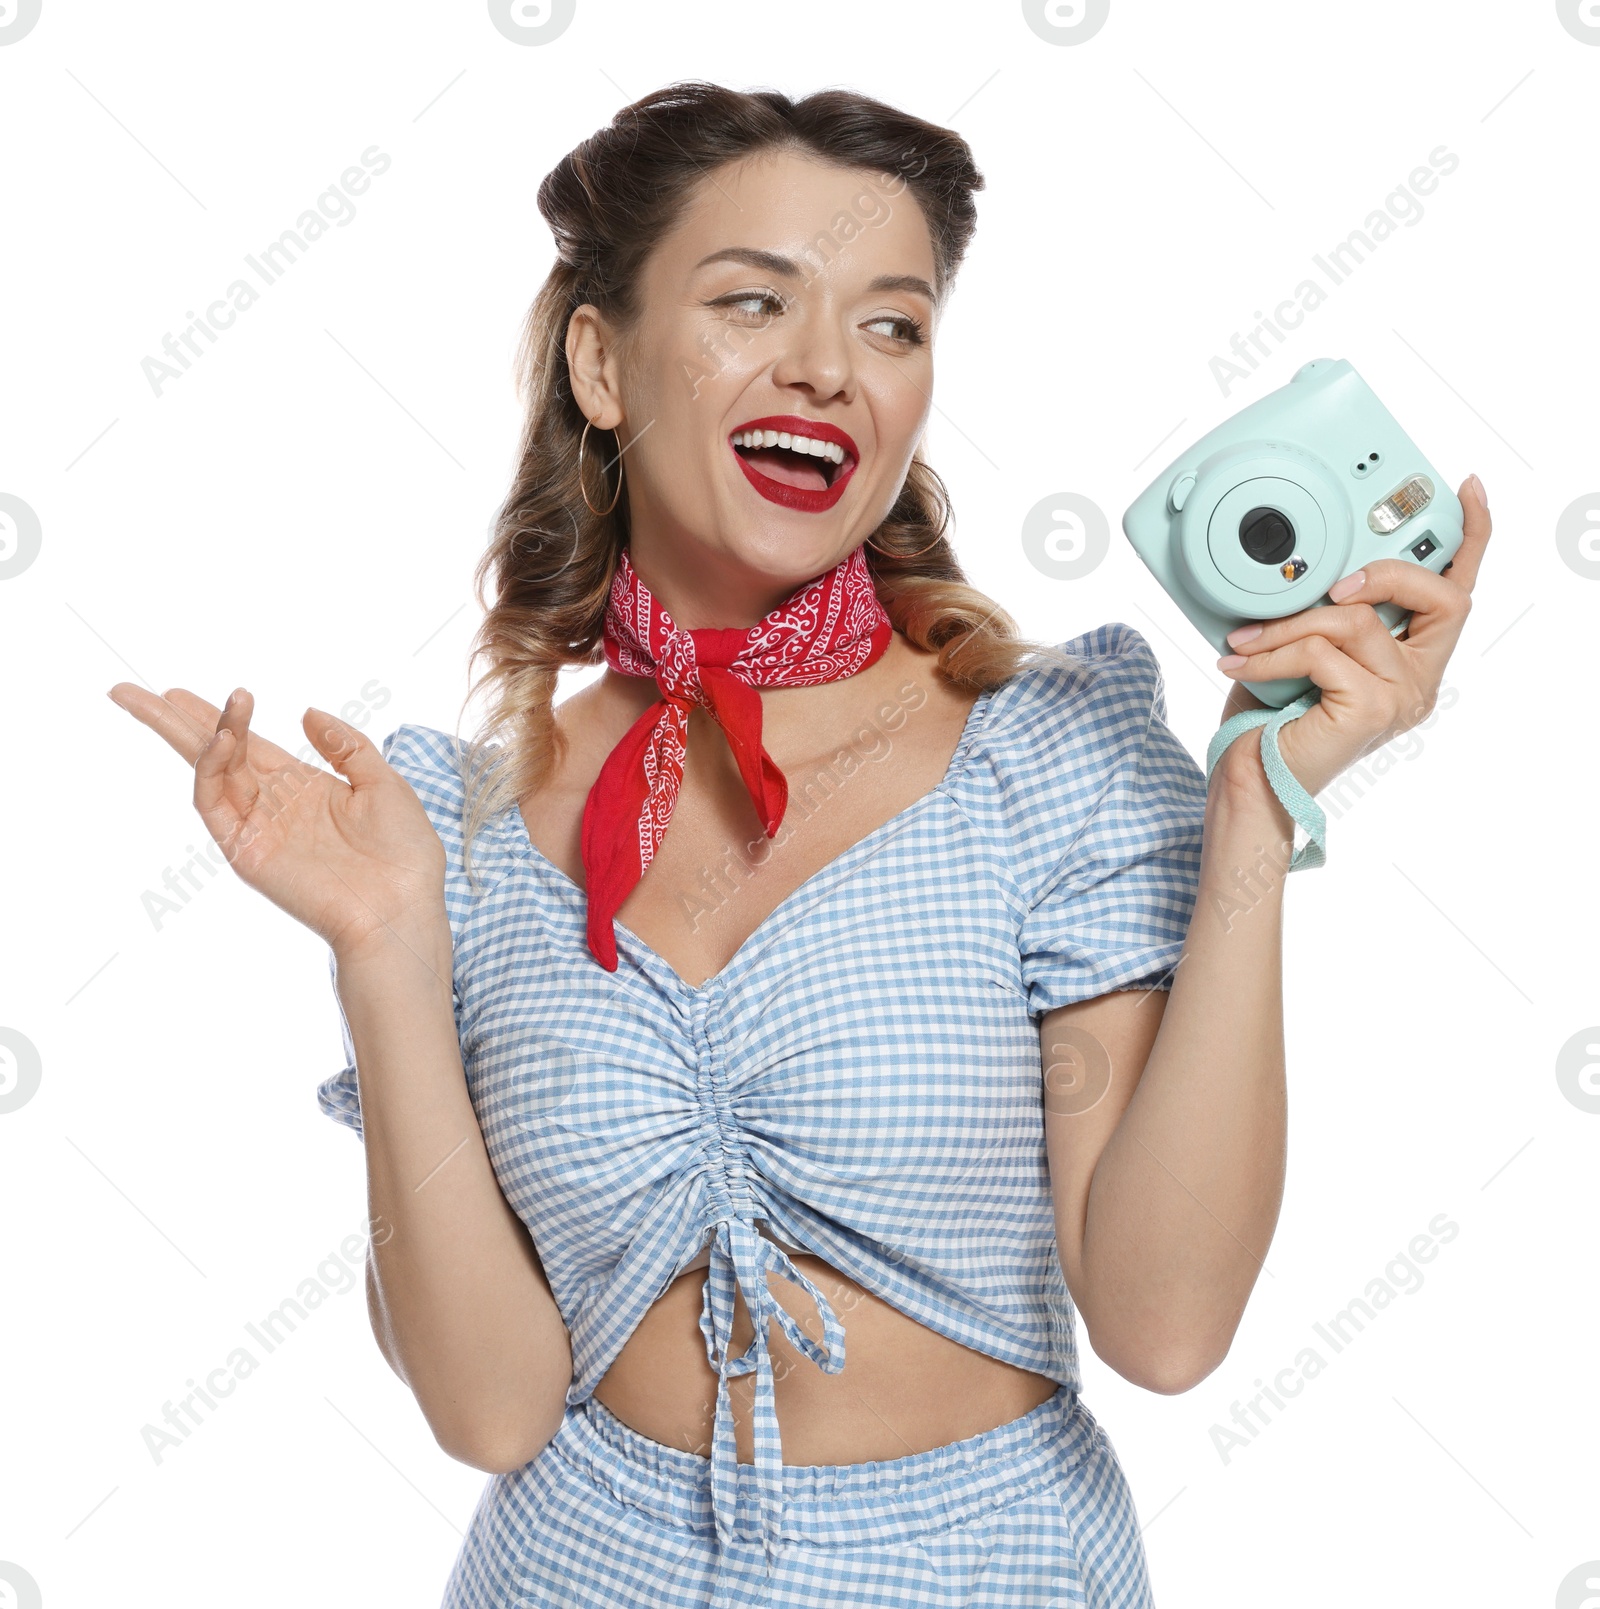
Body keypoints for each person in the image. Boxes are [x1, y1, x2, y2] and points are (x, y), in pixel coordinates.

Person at [109, 80, 1490, 1609]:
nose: (830, 367)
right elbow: (489, 1408)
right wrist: (380, 948)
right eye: (754, 303)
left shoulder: (1050, 760)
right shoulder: (450, 828)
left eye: (892, 326)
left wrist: (1250, 811)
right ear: (601, 361)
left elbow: (1167, 1327)